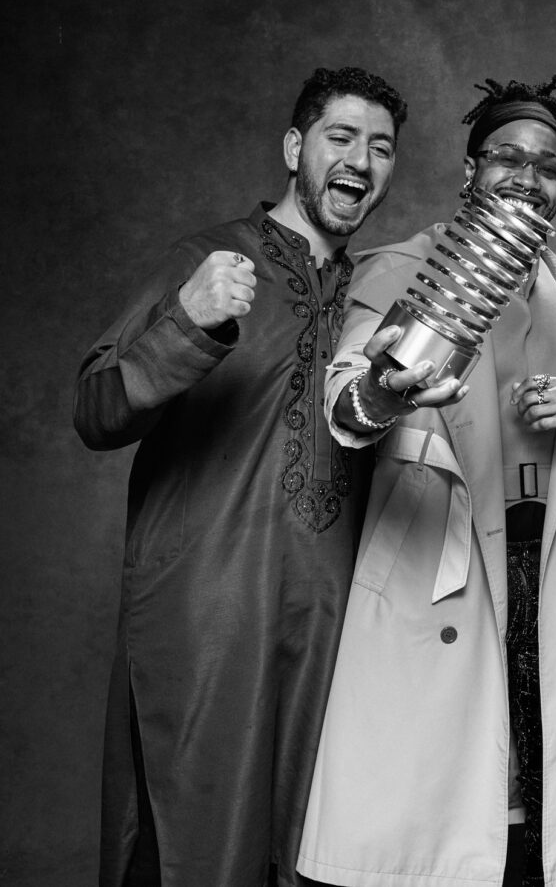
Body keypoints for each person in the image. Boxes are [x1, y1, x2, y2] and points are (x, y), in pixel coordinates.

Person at [295, 76, 556, 887]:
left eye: (549, 167)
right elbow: (345, 402)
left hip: (550, 583)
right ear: (470, 169)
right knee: (443, 833)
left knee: (535, 829)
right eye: (507, 158)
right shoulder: (400, 272)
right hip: (443, 575)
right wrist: (389, 388)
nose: (527, 177)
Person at [74, 67, 407, 886]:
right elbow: (96, 411)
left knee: (306, 855)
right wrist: (187, 318)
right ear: (295, 148)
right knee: (194, 850)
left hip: (328, 639)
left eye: (381, 147)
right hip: (206, 629)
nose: (360, 160)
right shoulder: (211, 260)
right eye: (340, 137)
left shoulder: (379, 296)